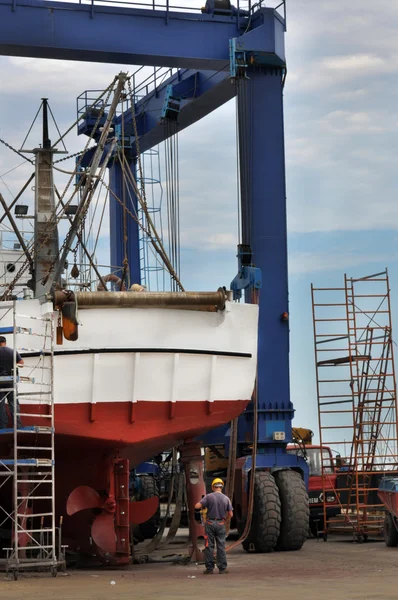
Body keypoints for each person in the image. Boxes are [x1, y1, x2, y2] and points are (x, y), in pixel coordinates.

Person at [195, 477, 233, 575]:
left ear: (213, 487)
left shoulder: (208, 497)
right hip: (221, 524)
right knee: (221, 546)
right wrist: (225, 521)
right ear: (221, 487)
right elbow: (231, 514)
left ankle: (209, 569)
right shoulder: (226, 498)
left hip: (210, 524)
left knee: (209, 546)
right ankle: (222, 569)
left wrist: (204, 507)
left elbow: (197, 506)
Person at [0, 336, 24, 429]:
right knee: (13, 403)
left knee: (1, 405)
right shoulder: (12, 351)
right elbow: (21, 363)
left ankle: (2, 426)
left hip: (0, 382)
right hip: (11, 381)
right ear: (5, 342)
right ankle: (17, 425)